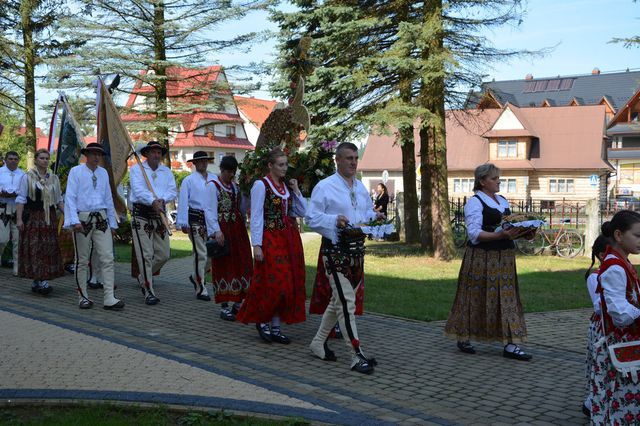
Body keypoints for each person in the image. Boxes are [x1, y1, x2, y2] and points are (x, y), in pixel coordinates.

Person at [306, 142, 382, 374]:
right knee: (347, 303)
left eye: (355, 158)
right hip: (335, 251)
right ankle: (355, 354)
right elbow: (311, 217)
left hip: (357, 252)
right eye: (348, 158)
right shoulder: (325, 186)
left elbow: (362, 215)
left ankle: (318, 342)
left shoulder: (359, 187)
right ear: (337, 160)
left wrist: (374, 215)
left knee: (337, 302)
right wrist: (332, 220)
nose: (353, 162)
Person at [444, 163, 532, 360]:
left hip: (505, 258)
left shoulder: (502, 200)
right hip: (481, 258)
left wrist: (524, 232)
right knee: (473, 297)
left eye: (498, 177)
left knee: (508, 299)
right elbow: (474, 234)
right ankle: (464, 336)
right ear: (482, 181)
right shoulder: (474, 203)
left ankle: (510, 344)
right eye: (494, 178)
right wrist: (500, 235)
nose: (498, 181)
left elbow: (508, 227)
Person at [236, 148, 306, 343]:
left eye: (286, 164)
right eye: (281, 165)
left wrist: (296, 190)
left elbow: (301, 211)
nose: (285, 168)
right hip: (270, 238)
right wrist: (256, 245)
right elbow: (256, 215)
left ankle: (276, 327)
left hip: (288, 239)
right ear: (270, 165)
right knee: (274, 284)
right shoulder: (261, 185)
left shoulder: (286, 187)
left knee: (287, 284)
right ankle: (263, 321)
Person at [589, 211, 640, 424]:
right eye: (637, 235)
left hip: (625, 343)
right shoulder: (614, 267)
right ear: (619, 235)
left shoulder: (622, 262)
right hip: (618, 344)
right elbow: (619, 314)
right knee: (619, 397)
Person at [64, 142, 124, 310]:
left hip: (102, 219)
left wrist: (112, 222)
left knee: (107, 258)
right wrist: (73, 220)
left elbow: (108, 199)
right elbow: (70, 197)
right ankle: (83, 296)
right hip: (82, 220)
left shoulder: (103, 173)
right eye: (93, 153)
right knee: (82, 260)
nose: (97, 157)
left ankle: (109, 297)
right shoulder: (76, 172)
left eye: (99, 154)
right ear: (86, 155)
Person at [204, 155, 252, 321]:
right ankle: (224, 305)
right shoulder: (213, 186)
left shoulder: (236, 187)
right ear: (222, 170)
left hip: (237, 228)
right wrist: (216, 231)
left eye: (233, 172)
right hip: (223, 228)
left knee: (242, 261)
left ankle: (239, 302)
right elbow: (209, 210)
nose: (231, 175)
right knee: (224, 264)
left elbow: (242, 207)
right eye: (228, 172)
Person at [129, 140, 177, 305]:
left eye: (159, 152)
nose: (156, 155)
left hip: (160, 215)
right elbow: (138, 190)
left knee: (164, 254)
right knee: (146, 255)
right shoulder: (137, 170)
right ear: (146, 154)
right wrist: (152, 200)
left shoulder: (166, 171)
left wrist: (162, 199)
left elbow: (172, 190)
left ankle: (143, 277)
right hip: (141, 215)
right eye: (153, 152)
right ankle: (149, 290)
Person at [15, 148, 64, 294]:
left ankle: (41, 280)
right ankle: (40, 280)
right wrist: (19, 219)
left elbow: (59, 199)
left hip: (50, 217)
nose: (44, 161)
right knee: (36, 248)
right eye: (42, 158)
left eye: (47, 158)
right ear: (36, 160)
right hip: (34, 217)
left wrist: (68, 215)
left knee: (48, 248)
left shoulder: (53, 178)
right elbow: (21, 199)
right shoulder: (27, 177)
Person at [176, 151, 216, 302]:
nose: (203, 163)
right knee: (201, 254)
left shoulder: (214, 178)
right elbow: (183, 201)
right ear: (194, 163)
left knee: (211, 254)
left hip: (211, 220)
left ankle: (195, 276)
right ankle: (201, 288)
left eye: (205, 161)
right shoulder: (189, 180)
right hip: (195, 219)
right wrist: (182, 222)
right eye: (200, 161)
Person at [582, 235, 610, 418]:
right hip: (601, 328)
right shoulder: (595, 277)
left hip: (614, 327)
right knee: (598, 365)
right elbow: (599, 305)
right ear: (601, 255)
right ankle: (591, 402)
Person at [0, 151, 24, 276]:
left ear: (19, 160)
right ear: (5, 159)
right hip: (2, 208)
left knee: (17, 240)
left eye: (15, 158)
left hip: (17, 209)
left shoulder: (23, 174)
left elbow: (25, 191)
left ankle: (17, 268)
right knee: (1, 239)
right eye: (10, 158)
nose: (13, 161)